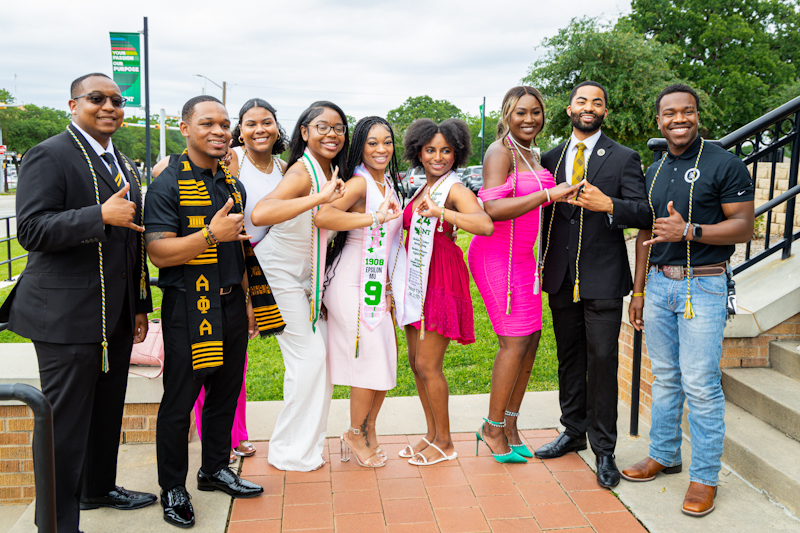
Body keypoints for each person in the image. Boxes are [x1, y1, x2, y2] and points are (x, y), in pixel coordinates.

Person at [0, 73, 156, 532]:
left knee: (107, 410)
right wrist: (98, 215)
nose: (109, 106)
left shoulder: (121, 162)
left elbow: (132, 243)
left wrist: (140, 306)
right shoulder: (50, 154)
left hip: (116, 314)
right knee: (63, 425)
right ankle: (57, 519)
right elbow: (30, 231)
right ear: (73, 104)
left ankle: (97, 488)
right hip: (65, 318)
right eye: (96, 99)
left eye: (116, 99)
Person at [622, 84, 754, 517]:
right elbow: (645, 231)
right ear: (658, 120)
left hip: (705, 284)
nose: (679, 119)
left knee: (700, 383)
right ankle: (664, 454)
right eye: (670, 114)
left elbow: (744, 228)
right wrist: (638, 291)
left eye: (687, 112)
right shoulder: (655, 168)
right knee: (664, 376)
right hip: (659, 284)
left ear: (698, 116)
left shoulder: (724, 163)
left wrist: (690, 231)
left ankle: (704, 477)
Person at [144, 95, 268, 528]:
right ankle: (173, 487)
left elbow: (242, 251)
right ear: (184, 128)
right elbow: (159, 252)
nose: (219, 131)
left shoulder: (233, 185)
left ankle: (214, 469)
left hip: (232, 302)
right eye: (207, 123)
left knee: (225, 393)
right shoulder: (167, 185)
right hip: (189, 307)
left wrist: (250, 304)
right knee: (180, 401)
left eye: (224, 124)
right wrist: (209, 235)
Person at [535, 81, 650, 489]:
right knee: (569, 357)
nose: (589, 107)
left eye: (597, 102)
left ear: (605, 111)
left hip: (602, 278)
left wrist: (610, 205)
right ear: (569, 110)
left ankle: (604, 450)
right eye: (581, 101)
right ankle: (572, 431)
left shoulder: (623, 158)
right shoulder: (549, 158)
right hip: (560, 276)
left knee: (602, 361)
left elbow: (645, 213)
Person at [468, 87, 579, 463]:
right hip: (496, 257)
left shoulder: (533, 154)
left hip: (525, 260)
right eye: (520, 113)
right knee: (513, 343)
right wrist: (551, 195)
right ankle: (491, 428)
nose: (529, 119)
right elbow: (493, 208)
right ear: (507, 115)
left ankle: (511, 425)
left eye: (536, 112)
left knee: (530, 343)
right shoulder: (500, 152)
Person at [250, 101, 348, 471]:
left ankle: (304, 448)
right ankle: (287, 450)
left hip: (308, 280)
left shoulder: (329, 169)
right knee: (308, 359)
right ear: (305, 132)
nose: (331, 134)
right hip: (279, 274)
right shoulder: (302, 172)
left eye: (338, 128)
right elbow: (262, 212)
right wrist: (319, 198)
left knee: (318, 362)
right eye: (322, 127)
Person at [192, 98, 289, 463]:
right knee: (215, 356)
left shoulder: (286, 165)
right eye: (250, 123)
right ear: (239, 130)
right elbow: (165, 166)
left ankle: (238, 434)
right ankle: (216, 439)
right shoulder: (230, 158)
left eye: (267, 122)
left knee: (239, 359)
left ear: (277, 127)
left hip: (276, 263)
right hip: (236, 261)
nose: (259, 129)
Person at [400, 118, 493, 466]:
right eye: (430, 150)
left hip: (440, 275)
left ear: (457, 153)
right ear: (418, 153)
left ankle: (447, 442)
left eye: (446, 151)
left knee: (428, 363)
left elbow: (484, 224)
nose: (438, 157)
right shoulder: (424, 187)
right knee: (415, 364)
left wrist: (444, 212)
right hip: (418, 277)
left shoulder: (454, 190)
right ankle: (432, 433)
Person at [314, 117, 404, 468]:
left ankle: (367, 429)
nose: (381, 149)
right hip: (351, 282)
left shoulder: (385, 183)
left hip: (373, 283)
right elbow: (323, 217)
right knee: (369, 360)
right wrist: (372, 220)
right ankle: (354, 432)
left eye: (387, 142)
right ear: (360, 148)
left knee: (383, 358)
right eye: (372, 143)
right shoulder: (359, 184)